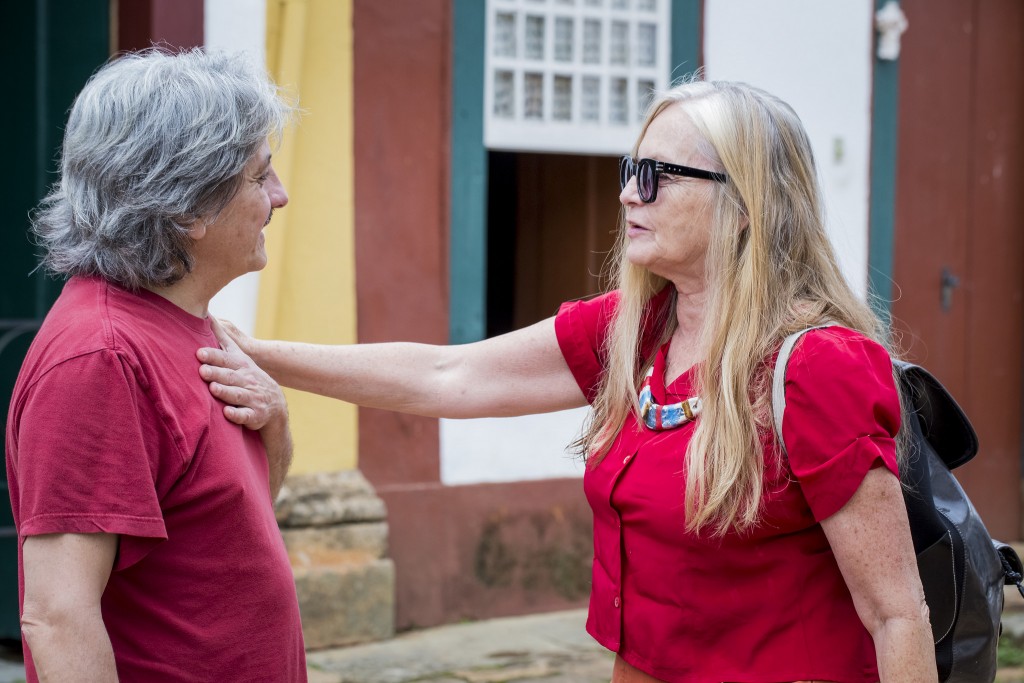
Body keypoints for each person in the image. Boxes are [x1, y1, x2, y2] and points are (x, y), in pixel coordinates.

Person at [198, 80, 934, 682]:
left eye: (655, 177)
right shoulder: (636, 329)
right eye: (628, 171)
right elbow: (447, 375)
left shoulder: (816, 365)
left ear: (745, 205)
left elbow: (896, 612)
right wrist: (256, 352)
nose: (626, 196)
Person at [6, 48, 307, 682]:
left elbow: (227, 534)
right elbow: (58, 616)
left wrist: (275, 423)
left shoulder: (189, 324)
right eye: (260, 176)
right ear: (186, 208)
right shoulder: (101, 358)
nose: (279, 197)